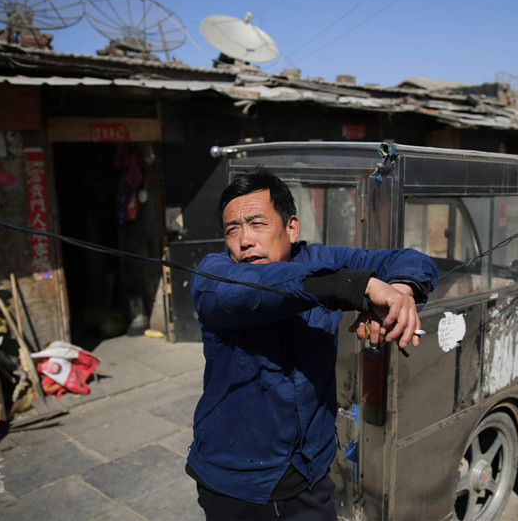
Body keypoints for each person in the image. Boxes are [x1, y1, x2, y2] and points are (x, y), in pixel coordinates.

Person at [186, 171, 438, 520]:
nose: (244, 240)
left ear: (292, 228)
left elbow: (412, 260)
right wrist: (356, 287)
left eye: (257, 224)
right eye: (232, 230)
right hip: (235, 481)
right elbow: (259, 289)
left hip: (309, 471)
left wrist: (399, 293)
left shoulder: (319, 259)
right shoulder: (215, 275)